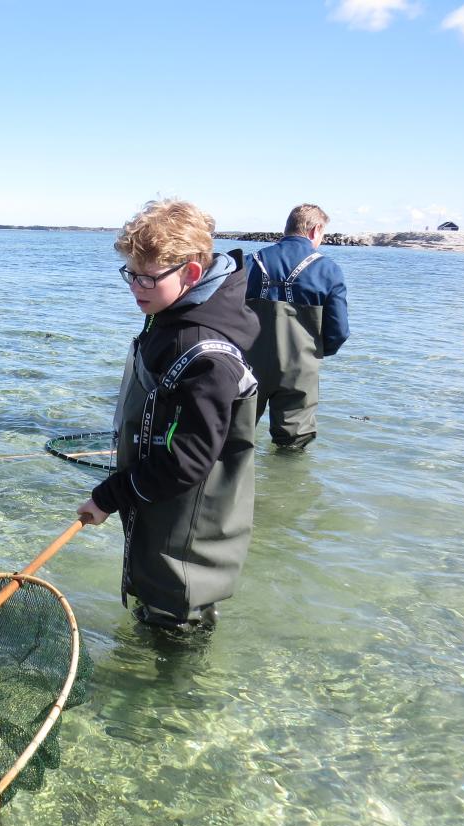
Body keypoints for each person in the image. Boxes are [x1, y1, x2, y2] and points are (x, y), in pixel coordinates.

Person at [77, 200, 259, 630]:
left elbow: (189, 460)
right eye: (130, 274)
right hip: (159, 515)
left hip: (187, 542)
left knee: (176, 628)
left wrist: (108, 497)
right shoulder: (169, 317)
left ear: (191, 274)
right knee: (155, 613)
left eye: (147, 277)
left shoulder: (206, 354)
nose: (135, 287)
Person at [244, 204, 349, 449]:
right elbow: (339, 332)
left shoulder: (249, 262)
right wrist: (314, 353)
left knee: (234, 434)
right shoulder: (328, 270)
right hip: (299, 369)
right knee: (293, 443)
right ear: (316, 229)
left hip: (247, 366)